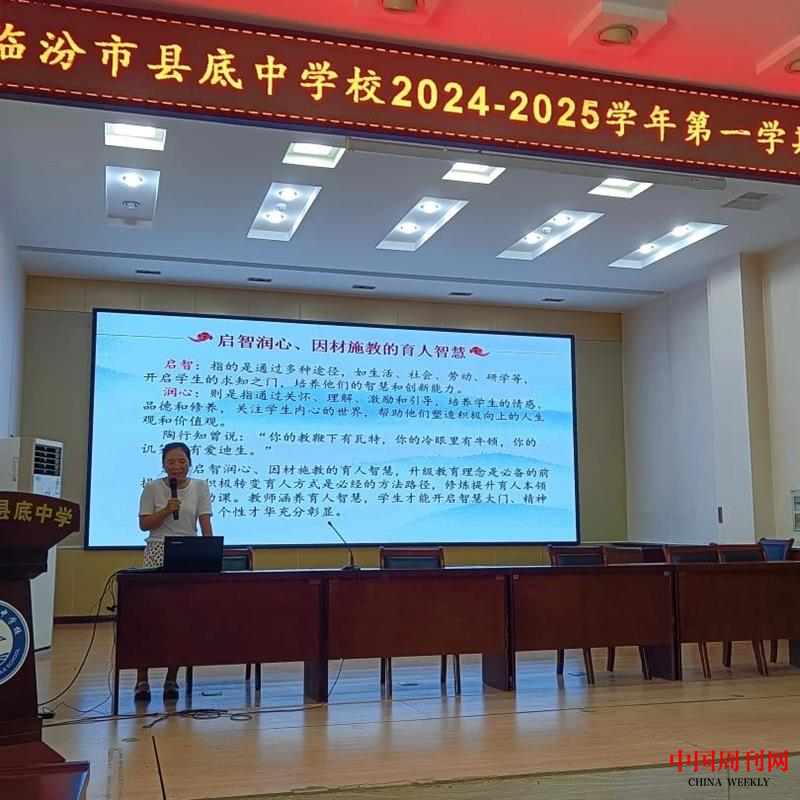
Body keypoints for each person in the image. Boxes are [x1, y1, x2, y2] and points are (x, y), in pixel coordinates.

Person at [135, 442, 213, 702]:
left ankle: (171, 678)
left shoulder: (200, 487)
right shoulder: (152, 487)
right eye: (171, 462)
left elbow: (205, 523)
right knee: (150, 619)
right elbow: (144, 524)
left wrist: (210, 553)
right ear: (163, 464)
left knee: (180, 619)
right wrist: (167, 510)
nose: (177, 466)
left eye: (182, 461)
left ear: (190, 463)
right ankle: (142, 680)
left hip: (188, 553)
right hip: (158, 551)